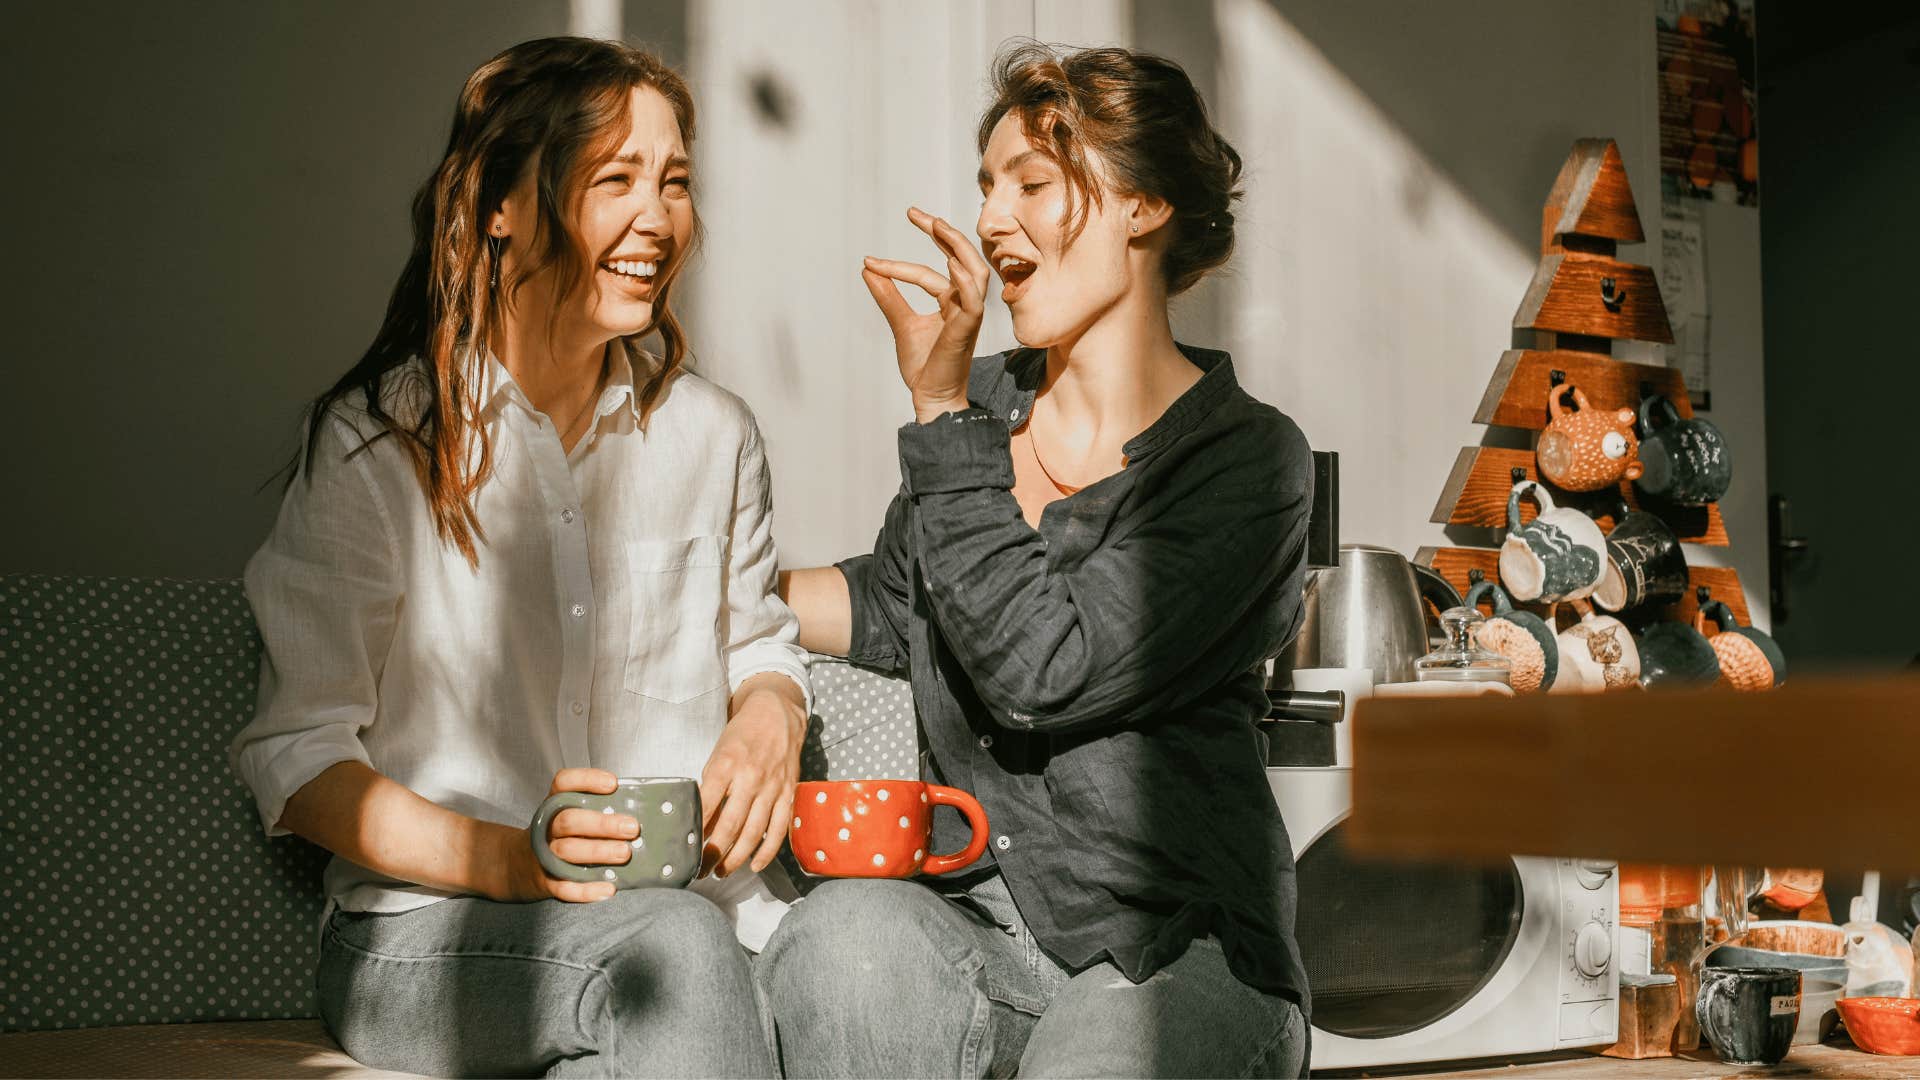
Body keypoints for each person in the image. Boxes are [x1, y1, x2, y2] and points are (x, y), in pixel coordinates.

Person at [230, 37, 806, 1078]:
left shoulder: (714, 436)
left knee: (861, 954)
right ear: (499, 202)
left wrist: (773, 711)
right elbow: (303, 758)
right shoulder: (379, 445)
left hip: (688, 920)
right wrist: (509, 861)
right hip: (426, 933)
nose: (659, 217)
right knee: (673, 957)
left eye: (674, 181)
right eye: (615, 178)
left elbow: (761, 641)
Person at [762, 41, 1312, 1079]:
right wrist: (706, 584)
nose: (989, 219)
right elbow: (896, 603)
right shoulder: (989, 413)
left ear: (1142, 205)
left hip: (1171, 951)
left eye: (1031, 183)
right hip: (975, 934)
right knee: (841, 946)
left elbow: (1041, 670)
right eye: (986, 187)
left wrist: (936, 413)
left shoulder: (1248, 460)